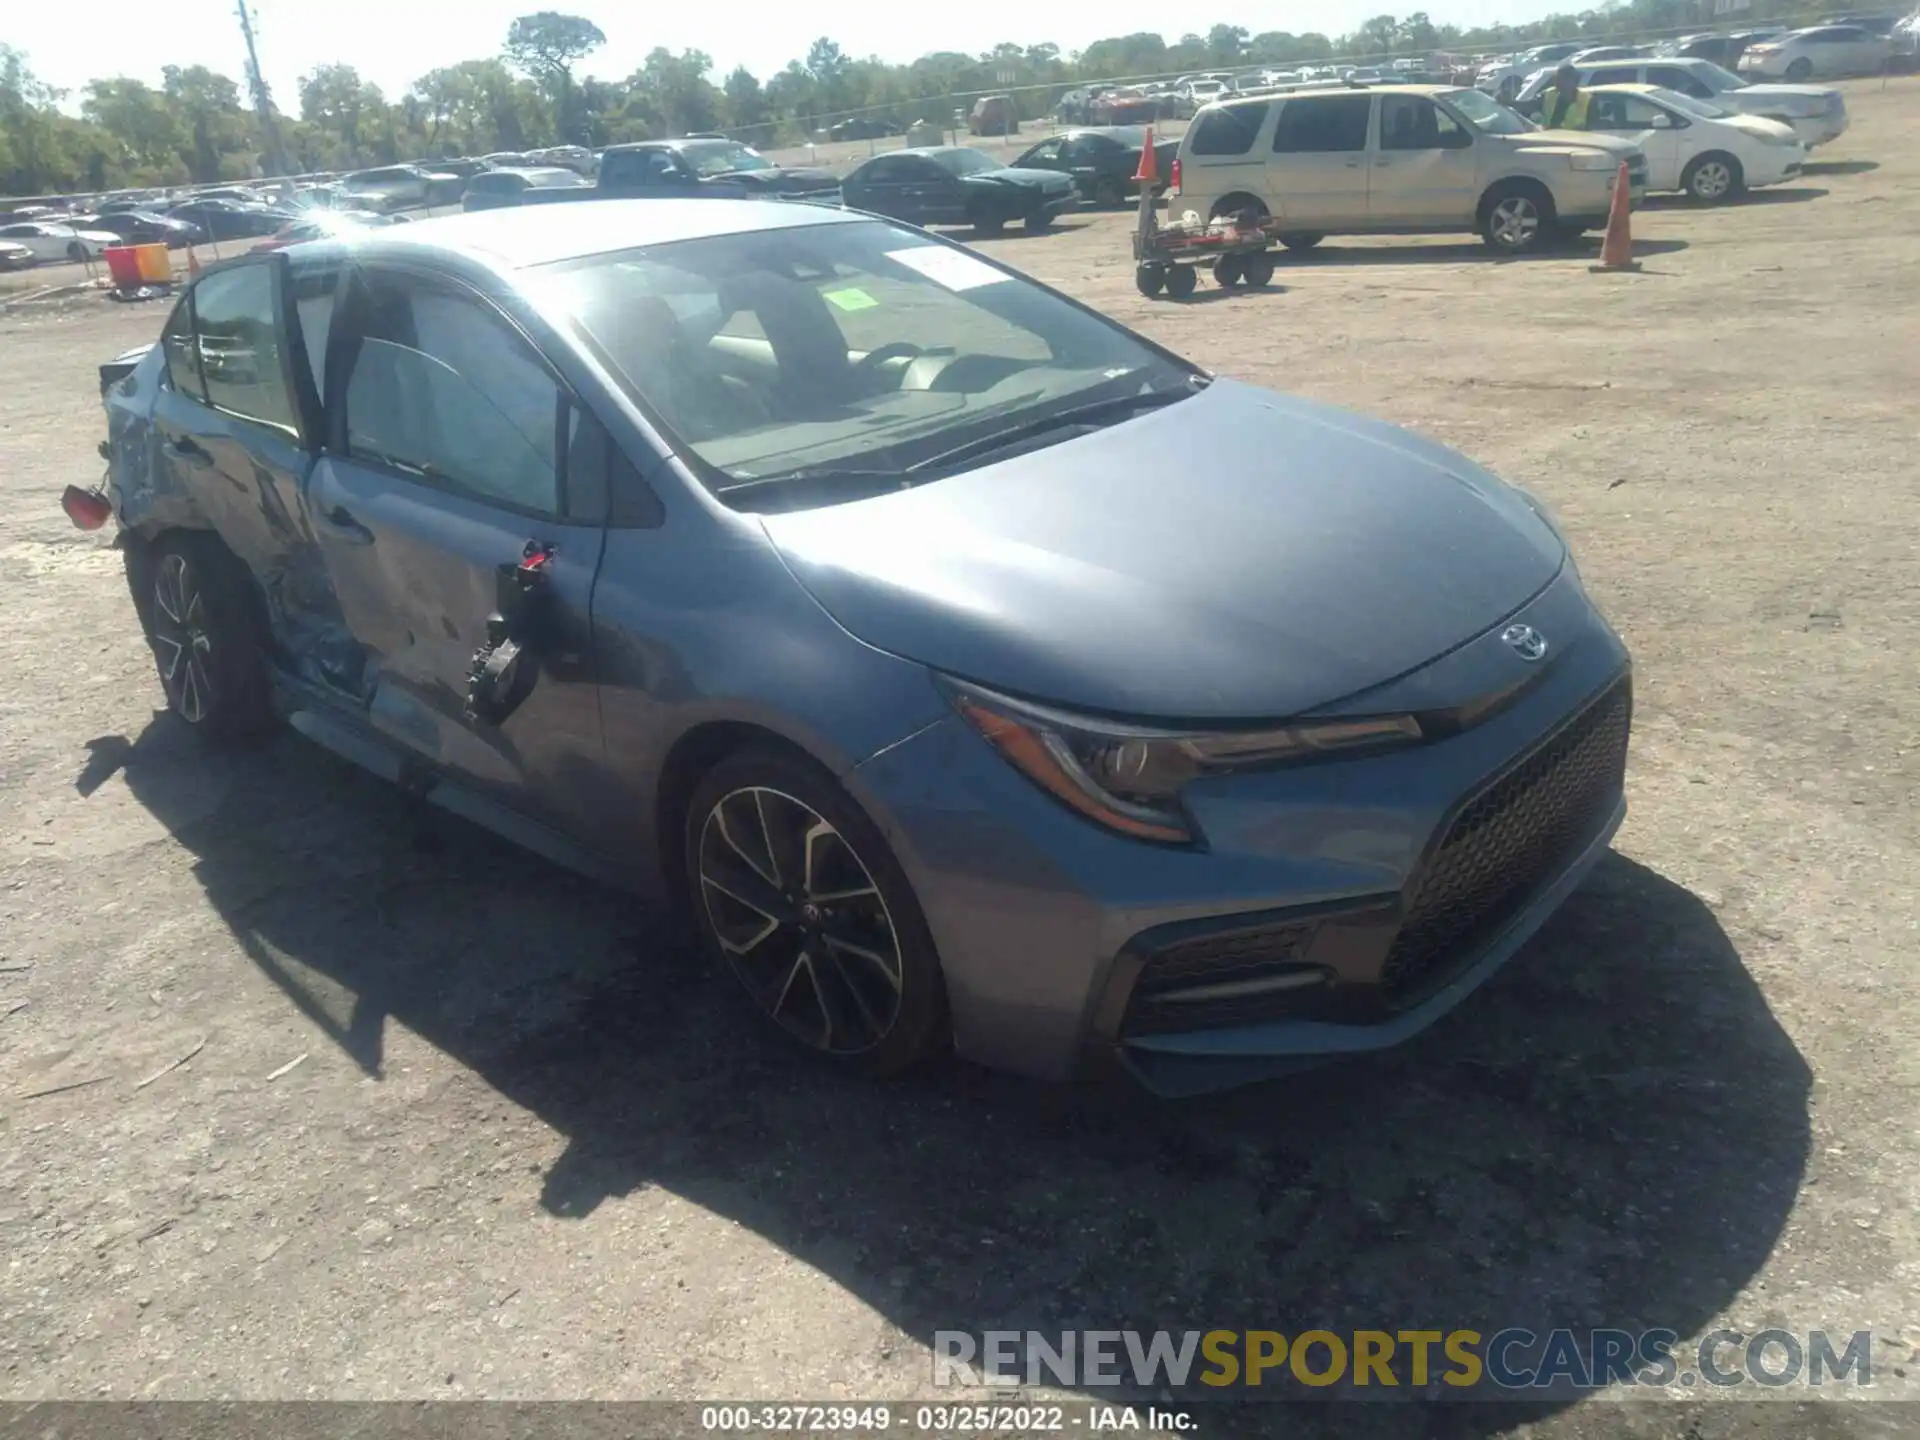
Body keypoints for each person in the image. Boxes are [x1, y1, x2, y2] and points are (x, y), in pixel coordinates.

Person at [1540, 64, 1591, 129]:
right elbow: (1529, 106)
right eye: (1558, 79)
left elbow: (1593, 127)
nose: (1561, 82)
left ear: (1575, 81)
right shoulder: (1549, 94)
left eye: (1566, 79)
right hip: (1548, 137)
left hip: (1575, 138)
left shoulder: (1588, 101)